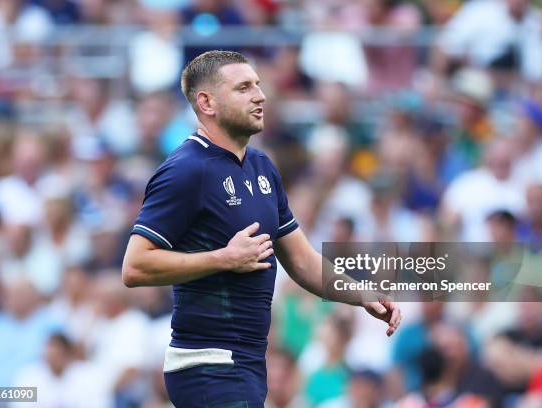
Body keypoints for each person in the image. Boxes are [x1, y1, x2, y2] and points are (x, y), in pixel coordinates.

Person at [122, 50, 402, 407]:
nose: (260, 95)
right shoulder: (186, 169)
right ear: (206, 102)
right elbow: (135, 266)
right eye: (243, 88)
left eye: (257, 84)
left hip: (249, 363)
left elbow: (301, 261)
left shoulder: (261, 166)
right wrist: (223, 258)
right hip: (207, 362)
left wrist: (360, 294)